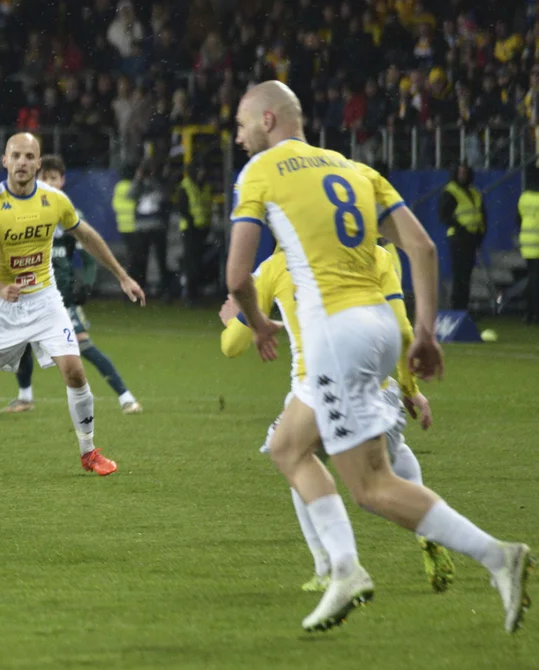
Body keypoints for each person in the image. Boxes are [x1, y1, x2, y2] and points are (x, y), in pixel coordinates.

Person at [226, 80, 531, 633]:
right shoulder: (354, 169)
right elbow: (423, 247)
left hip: (334, 336)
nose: (239, 139)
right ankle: (343, 569)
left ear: (268, 121)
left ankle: (497, 556)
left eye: (243, 127)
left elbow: (236, 276)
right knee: (287, 446)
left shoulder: (261, 172)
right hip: (379, 326)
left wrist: (258, 321)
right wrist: (425, 331)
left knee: (371, 486)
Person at [219, 244, 454, 593]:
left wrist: (242, 316)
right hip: (378, 387)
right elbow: (402, 328)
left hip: (318, 391)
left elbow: (231, 346)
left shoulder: (273, 268)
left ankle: (328, 567)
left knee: (299, 462)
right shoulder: (373, 254)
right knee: (393, 460)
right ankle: (430, 531)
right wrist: (410, 387)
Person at [0, 133, 146, 478]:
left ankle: (89, 452)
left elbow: (86, 235)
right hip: (1, 309)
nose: (22, 162)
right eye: (16, 155)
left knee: (74, 370)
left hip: (45, 300)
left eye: (30, 156)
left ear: (38, 163)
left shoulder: (55, 200)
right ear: (5, 160)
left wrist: (122, 276)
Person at [1, 154, 142, 416]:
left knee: (84, 346)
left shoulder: (69, 214)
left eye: (54, 178)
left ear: (62, 181)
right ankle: (25, 397)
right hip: (29, 294)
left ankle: (126, 396)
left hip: (61, 297)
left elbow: (88, 257)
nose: (50, 182)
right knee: (21, 346)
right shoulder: (23, 212)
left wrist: (84, 287)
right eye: (45, 177)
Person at [438, 164, 486, 311]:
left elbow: (481, 214)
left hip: (472, 238)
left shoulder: (474, 192)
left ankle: (463, 308)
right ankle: (457, 308)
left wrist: (479, 235)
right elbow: (445, 216)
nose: (463, 175)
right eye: (460, 172)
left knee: (466, 275)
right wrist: (462, 229)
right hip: (458, 238)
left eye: (465, 172)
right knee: (460, 275)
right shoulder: (451, 191)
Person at [128, 155, 173, 297]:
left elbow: (164, 196)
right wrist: (138, 177)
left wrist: (154, 179)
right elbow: (130, 195)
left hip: (157, 226)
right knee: (140, 261)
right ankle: (140, 289)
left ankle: (165, 290)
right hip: (142, 227)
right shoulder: (140, 184)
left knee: (161, 260)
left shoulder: (161, 183)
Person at [176, 164, 214, 304]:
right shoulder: (186, 186)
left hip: (202, 229)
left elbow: (206, 206)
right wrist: (193, 223)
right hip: (190, 230)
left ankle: (194, 293)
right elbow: (183, 208)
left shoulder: (204, 186)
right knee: (191, 262)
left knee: (197, 262)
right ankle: (190, 294)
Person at [517, 165, 539, 325]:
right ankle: (533, 311)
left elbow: (518, 219)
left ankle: (529, 311)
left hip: (527, 241)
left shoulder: (524, 197)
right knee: (535, 279)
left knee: (533, 277)